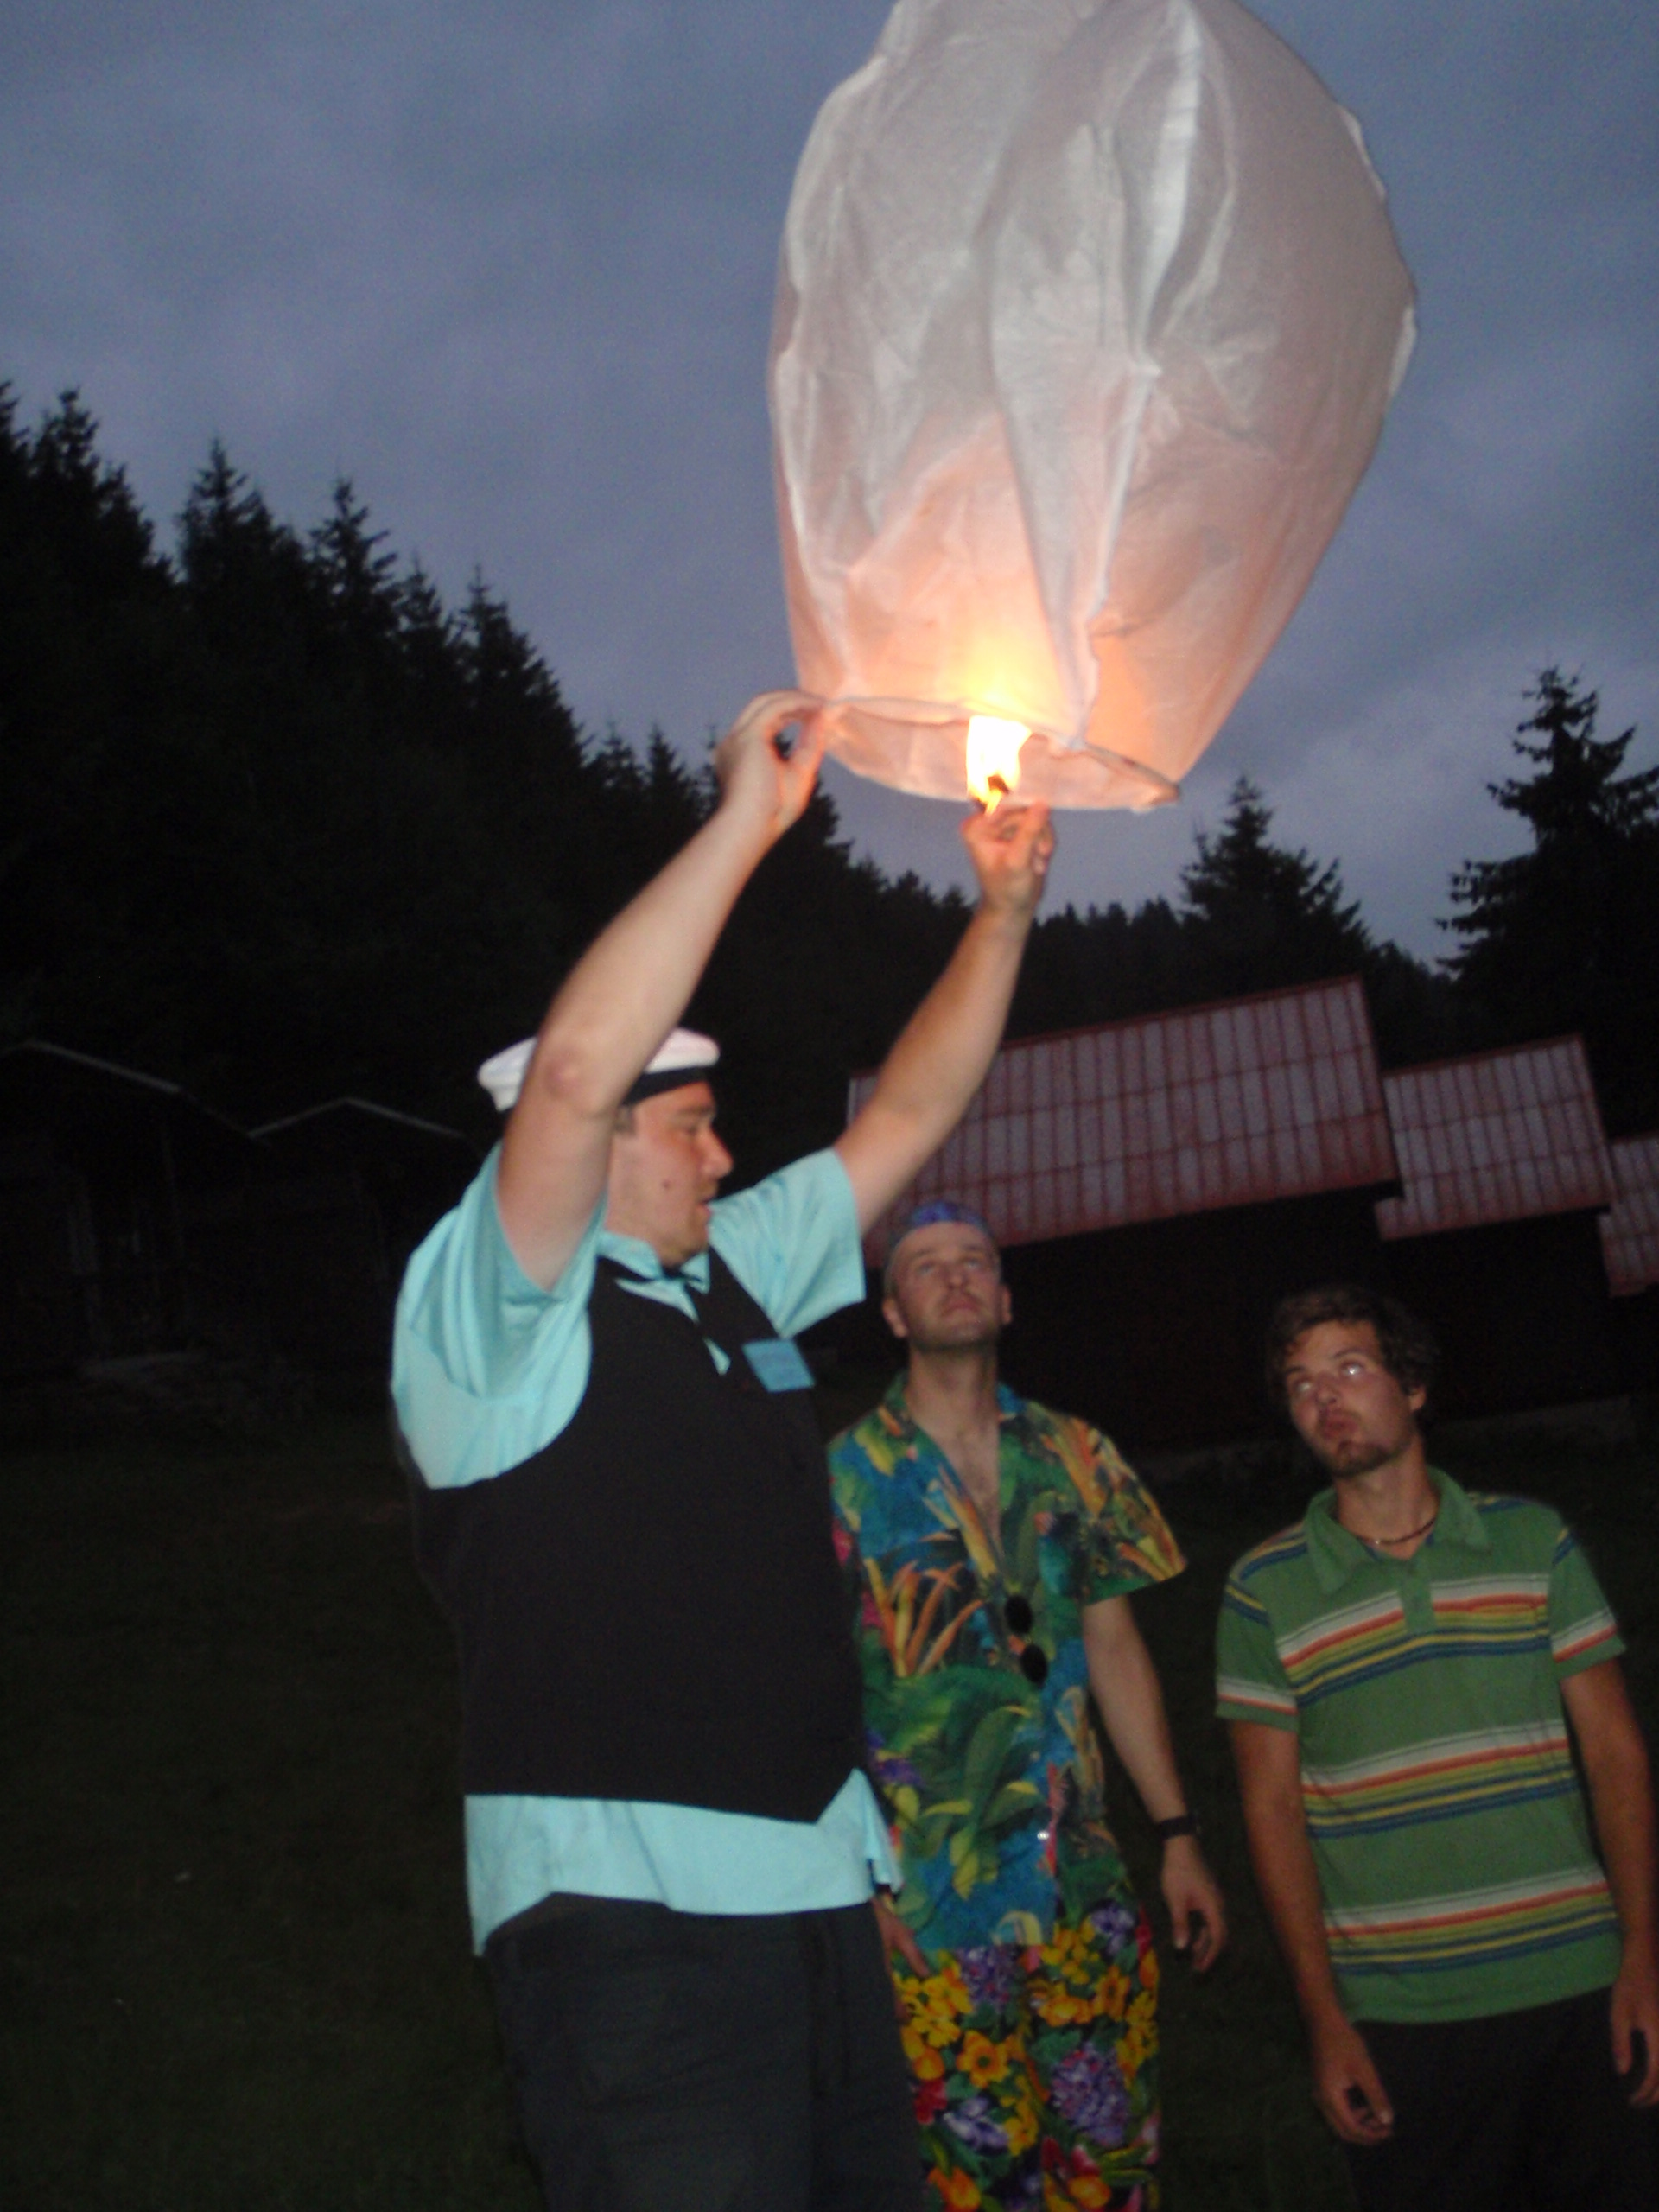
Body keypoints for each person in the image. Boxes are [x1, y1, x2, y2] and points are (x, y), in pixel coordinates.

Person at [392, 690, 1056, 2212]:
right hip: (632, 1919)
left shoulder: (724, 1272)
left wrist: (1004, 914)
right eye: (689, 1123)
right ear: (597, 1141)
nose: (724, 1153)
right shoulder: (495, 1308)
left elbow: (915, 1111)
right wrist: (749, 820)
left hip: (812, 1887)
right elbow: (577, 1071)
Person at [1217, 1282, 1659, 2212]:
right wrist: (1324, 2020)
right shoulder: (1264, 1589)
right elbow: (1272, 1810)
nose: (1324, 1399)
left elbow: (1616, 1756)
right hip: (1401, 2016)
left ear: (1413, 1386)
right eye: (1300, 1385)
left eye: (1349, 1368)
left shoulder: (1532, 1541)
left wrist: (1643, 1956)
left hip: (1576, 1983)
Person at [828, 1200, 1226, 2211]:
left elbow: (1116, 1649)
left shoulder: (1078, 1452)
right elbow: (810, 1684)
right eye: (926, 1266)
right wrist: (855, 1877)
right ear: (893, 1312)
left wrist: (1177, 1833)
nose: (956, 1277)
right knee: (973, 2184)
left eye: (975, 1261)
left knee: (1111, 2168)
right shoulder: (841, 1477)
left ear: (1005, 1299)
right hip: (931, 1902)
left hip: (1082, 1884)